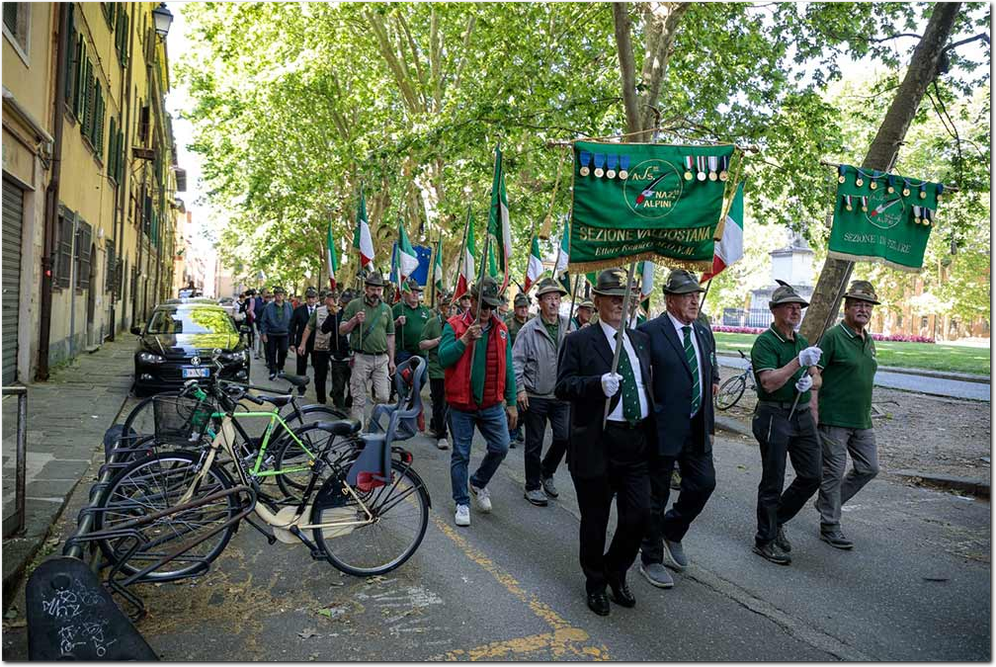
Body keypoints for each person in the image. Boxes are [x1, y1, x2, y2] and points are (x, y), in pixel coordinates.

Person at [555, 269, 654, 617]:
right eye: (613, 297)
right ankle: (595, 582)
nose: (621, 304)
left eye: (626, 298)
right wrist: (596, 384)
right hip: (597, 441)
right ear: (596, 301)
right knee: (595, 519)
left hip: (635, 440)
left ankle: (616, 569)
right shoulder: (580, 341)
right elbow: (563, 386)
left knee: (639, 515)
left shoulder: (640, 340)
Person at [637, 269, 720, 589]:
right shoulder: (649, 332)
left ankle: (672, 530)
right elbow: (640, 380)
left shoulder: (702, 332)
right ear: (670, 300)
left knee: (704, 483)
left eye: (696, 295)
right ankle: (651, 558)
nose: (694, 301)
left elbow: (707, 374)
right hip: (661, 428)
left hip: (696, 425)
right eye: (687, 296)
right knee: (656, 495)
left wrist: (709, 423)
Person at [750, 282, 823, 566]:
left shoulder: (802, 341)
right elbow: (769, 383)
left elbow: (817, 377)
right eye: (790, 307)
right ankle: (765, 540)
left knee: (812, 475)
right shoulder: (765, 343)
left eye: (799, 307)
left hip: (801, 414)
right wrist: (797, 364)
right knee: (773, 480)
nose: (796, 311)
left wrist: (810, 382)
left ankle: (777, 518)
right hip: (774, 415)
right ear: (774, 310)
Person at [438, 276, 517, 528]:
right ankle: (461, 501)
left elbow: (509, 368)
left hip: (492, 404)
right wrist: (464, 340)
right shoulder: (454, 325)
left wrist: (512, 401)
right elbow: (443, 358)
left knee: (501, 446)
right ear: (471, 301)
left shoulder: (502, 330)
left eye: (491, 307)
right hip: (461, 405)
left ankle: (478, 482)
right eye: (483, 305)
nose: (487, 311)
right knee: (461, 454)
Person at [810, 281, 881, 550]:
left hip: (862, 419)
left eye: (868, 306)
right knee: (833, 471)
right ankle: (830, 525)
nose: (864, 310)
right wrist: (814, 410)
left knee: (869, 468)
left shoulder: (868, 340)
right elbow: (814, 372)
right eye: (858, 304)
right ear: (847, 308)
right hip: (833, 419)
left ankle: (827, 501)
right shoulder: (833, 337)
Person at [513, 277, 575, 507]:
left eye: (557, 298)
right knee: (534, 443)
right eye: (549, 298)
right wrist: (520, 389)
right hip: (535, 395)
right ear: (540, 302)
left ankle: (546, 471)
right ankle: (532, 486)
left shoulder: (569, 326)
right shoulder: (529, 330)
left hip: (561, 395)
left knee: (564, 437)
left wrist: (575, 340)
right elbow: (516, 362)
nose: (554, 302)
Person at [339, 272, 396, 422]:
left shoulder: (387, 309)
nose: (376, 293)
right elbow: (342, 330)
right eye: (372, 289)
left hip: (381, 358)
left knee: (383, 397)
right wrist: (354, 321)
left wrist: (392, 360)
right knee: (358, 398)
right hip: (361, 357)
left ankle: (371, 423)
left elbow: (390, 336)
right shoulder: (354, 305)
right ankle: (357, 430)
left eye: (379, 290)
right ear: (366, 288)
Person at [298, 290, 347, 406]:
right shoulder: (319, 311)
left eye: (332, 305)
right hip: (320, 347)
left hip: (336, 348)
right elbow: (308, 327)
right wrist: (302, 344)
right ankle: (321, 400)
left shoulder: (343, 312)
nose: (330, 307)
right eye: (327, 304)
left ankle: (335, 394)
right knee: (320, 375)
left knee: (338, 375)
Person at [419, 293, 454, 450]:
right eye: (448, 307)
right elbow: (422, 344)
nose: (451, 311)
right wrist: (437, 341)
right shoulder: (432, 323)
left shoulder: (457, 324)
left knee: (448, 404)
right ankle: (442, 435)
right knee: (439, 402)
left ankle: (436, 424)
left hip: (452, 369)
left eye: (454, 307)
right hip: (437, 369)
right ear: (441, 308)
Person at [505, 292, 532, 447]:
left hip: (530, 369)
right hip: (514, 368)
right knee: (515, 401)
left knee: (527, 404)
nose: (524, 310)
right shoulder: (509, 324)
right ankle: (511, 433)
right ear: (515, 309)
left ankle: (517, 427)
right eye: (520, 307)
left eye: (525, 307)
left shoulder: (533, 322)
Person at [393, 279, 431, 368]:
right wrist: (397, 322)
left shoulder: (425, 310)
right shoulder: (397, 309)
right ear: (404, 294)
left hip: (422, 352)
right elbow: (388, 328)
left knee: (421, 376)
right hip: (404, 352)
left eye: (417, 292)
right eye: (412, 292)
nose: (415, 295)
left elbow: (429, 329)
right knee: (402, 375)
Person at [290, 287, 320, 396]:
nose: (311, 300)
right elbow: (292, 327)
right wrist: (292, 343)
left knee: (318, 367)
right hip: (302, 342)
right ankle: (301, 388)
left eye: (313, 298)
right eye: (309, 298)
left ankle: (319, 390)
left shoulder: (320, 310)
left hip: (317, 342)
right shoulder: (299, 310)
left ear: (316, 298)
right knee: (301, 366)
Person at [259, 286, 294, 380]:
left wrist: (292, 334)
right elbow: (263, 321)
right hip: (271, 333)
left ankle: (281, 367)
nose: (279, 296)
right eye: (277, 295)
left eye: (281, 295)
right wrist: (264, 334)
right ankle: (272, 371)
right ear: (274, 296)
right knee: (271, 352)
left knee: (283, 351)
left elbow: (292, 320)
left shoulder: (289, 306)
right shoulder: (269, 307)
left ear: (284, 296)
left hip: (284, 333)